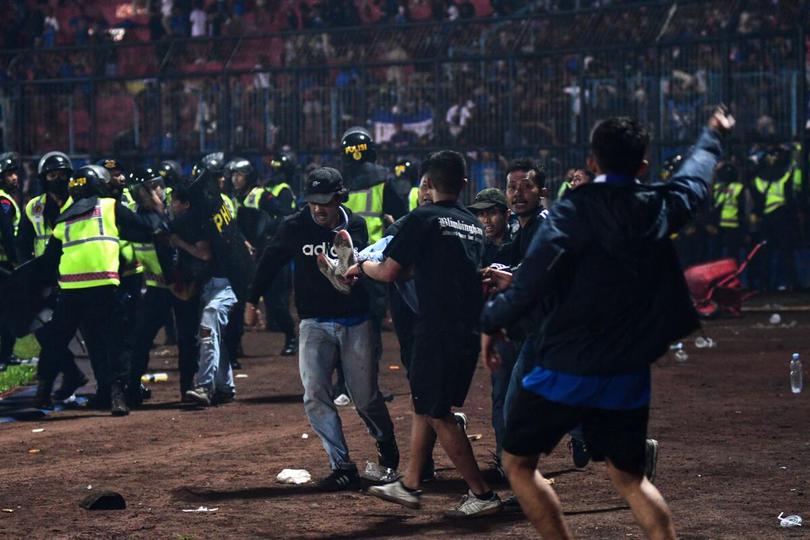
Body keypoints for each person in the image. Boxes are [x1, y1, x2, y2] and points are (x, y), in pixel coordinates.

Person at [480, 107, 734, 539]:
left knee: (518, 464)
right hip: (626, 371)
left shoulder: (570, 212)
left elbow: (530, 284)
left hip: (564, 364)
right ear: (643, 167)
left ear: (592, 163)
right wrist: (711, 136)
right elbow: (694, 179)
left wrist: (492, 322)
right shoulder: (657, 206)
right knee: (631, 480)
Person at [348, 150, 502, 518]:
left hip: (436, 328)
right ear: (464, 184)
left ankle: (482, 494)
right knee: (426, 404)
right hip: (467, 329)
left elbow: (389, 271)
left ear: (428, 184)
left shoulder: (422, 218)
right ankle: (411, 483)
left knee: (436, 412)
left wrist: (361, 266)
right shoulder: (473, 224)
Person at [244, 167, 399, 491]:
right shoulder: (294, 226)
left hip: (355, 320)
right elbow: (270, 261)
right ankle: (341, 465)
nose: (318, 208)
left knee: (364, 397)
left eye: (325, 201)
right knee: (315, 395)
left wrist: (344, 271)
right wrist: (251, 300)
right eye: (313, 201)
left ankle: (386, 445)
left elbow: (360, 265)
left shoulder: (353, 224)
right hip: (313, 322)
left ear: (338, 198)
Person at [31, 164, 167, 415]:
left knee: (55, 341)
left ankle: (43, 392)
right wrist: (157, 210)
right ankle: (118, 396)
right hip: (103, 286)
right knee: (116, 341)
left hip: (70, 289)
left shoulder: (64, 215)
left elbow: (50, 257)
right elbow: (144, 229)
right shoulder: (108, 207)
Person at [0, 152, 21, 369]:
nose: (14, 177)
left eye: (15, 173)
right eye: (9, 174)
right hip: (4, 265)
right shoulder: (4, 201)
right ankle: (4, 355)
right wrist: (16, 262)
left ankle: (6, 354)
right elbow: (7, 234)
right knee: (8, 311)